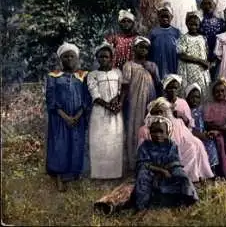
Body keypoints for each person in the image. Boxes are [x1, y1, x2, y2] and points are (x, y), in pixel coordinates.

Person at [131, 116, 198, 217]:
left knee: (181, 175)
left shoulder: (171, 145)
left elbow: (175, 161)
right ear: (150, 132)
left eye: (161, 132)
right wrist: (161, 171)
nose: (158, 135)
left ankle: (186, 200)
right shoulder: (145, 145)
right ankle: (142, 206)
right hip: (151, 169)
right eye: (154, 131)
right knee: (142, 175)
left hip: (169, 168)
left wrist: (169, 170)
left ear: (167, 132)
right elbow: (143, 163)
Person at [45, 42, 91, 191]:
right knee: (60, 145)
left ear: (77, 58)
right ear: (61, 59)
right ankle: (59, 175)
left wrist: (78, 115)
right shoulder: (53, 76)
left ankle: (73, 174)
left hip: (78, 118)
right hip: (59, 119)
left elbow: (86, 98)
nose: (69, 59)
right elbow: (51, 99)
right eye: (66, 56)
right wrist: (65, 117)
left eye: (72, 56)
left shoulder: (83, 76)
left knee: (77, 144)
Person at [159, 75, 214, 181]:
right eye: (170, 88)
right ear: (165, 89)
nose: (173, 90)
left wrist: (182, 115)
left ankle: (200, 174)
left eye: (176, 88)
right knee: (186, 147)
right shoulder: (161, 102)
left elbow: (190, 123)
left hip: (183, 130)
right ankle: (184, 175)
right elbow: (153, 117)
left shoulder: (182, 102)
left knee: (197, 143)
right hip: (168, 131)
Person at [122, 36, 161, 171]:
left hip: (150, 99)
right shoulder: (129, 65)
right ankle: (134, 162)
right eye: (141, 47)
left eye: (146, 48)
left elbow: (158, 83)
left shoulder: (152, 65)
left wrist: (152, 72)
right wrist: (122, 102)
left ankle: (150, 161)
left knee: (149, 126)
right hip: (134, 101)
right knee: (135, 127)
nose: (143, 50)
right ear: (135, 48)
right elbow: (125, 86)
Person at [87, 42, 124, 179]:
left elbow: (121, 90)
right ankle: (99, 173)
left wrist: (118, 102)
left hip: (116, 112)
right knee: (100, 141)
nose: (104, 59)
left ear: (111, 58)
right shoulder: (93, 75)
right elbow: (94, 94)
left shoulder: (117, 72)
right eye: (101, 57)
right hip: (99, 112)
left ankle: (114, 173)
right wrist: (108, 106)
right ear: (97, 58)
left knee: (114, 139)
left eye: (106, 57)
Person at [185, 83, 219, 171]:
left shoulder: (202, 110)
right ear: (187, 98)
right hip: (191, 136)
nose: (194, 99)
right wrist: (200, 135)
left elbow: (207, 124)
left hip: (204, 134)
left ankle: (212, 170)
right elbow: (187, 129)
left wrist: (211, 132)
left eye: (197, 97)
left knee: (210, 143)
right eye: (192, 97)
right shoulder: (186, 111)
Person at [177, 12, 211, 97]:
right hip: (188, 71)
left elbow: (205, 54)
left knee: (201, 93)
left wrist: (207, 63)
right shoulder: (184, 38)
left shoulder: (203, 38)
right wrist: (199, 61)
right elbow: (181, 55)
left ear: (199, 25)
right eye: (191, 24)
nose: (193, 27)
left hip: (201, 71)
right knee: (189, 92)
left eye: (196, 24)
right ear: (186, 24)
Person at [148, 2, 180, 79]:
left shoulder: (176, 32)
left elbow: (180, 50)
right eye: (162, 17)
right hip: (157, 62)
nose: (165, 19)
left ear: (171, 17)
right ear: (158, 17)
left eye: (167, 16)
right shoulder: (153, 32)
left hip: (172, 62)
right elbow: (148, 49)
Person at [199, 0, 226, 81]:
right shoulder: (199, 21)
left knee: (215, 81)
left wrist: (216, 59)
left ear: (214, 5)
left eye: (209, 3)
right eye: (205, 4)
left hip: (216, 58)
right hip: (202, 58)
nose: (207, 6)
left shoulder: (221, 22)